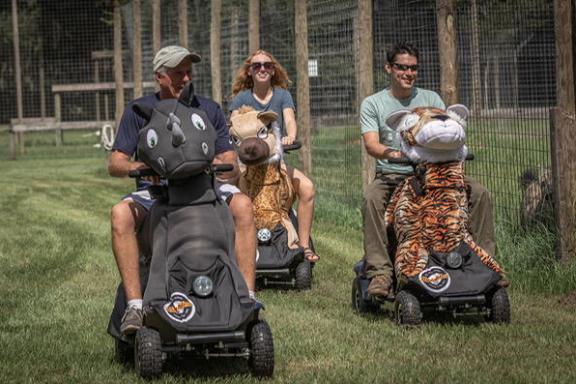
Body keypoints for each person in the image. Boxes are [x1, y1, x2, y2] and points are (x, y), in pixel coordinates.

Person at [109, 45, 257, 335]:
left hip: (205, 187)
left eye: (188, 72)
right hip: (156, 192)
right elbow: (115, 163)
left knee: (243, 206)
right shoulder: (139, 110)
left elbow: (229, 160)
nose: (186, 78)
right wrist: (144, 168)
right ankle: (136, 305)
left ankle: (247, 298)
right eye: (179, 73)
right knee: (120, 215)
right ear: (160, 77)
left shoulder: (208, 108)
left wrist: (202, 162)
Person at [360, 41, 498, 298]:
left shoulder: (431, 98)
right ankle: (380, 271)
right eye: (402, 67)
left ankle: (484, 264)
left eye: (413, 68)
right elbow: (371, 145)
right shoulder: (373, 103)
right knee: (371, 198)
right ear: (388, 68)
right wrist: (400, 154)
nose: (408, 73)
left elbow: (443, 133)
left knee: (480, 193)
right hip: (394, 173)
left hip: (437, 172)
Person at [228, 49, 319, 263]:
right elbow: (234, 124)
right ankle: (230, 244)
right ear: (249, 71)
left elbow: (289, 120)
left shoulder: (282, 94)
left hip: (275, 164)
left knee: (307, 188)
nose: (262, 69)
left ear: (272, 69)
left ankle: (303, 245)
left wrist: (290, 137)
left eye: (267, 65)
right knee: (226, 193)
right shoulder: (242, 98)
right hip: (247, 165)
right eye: (257, 65)